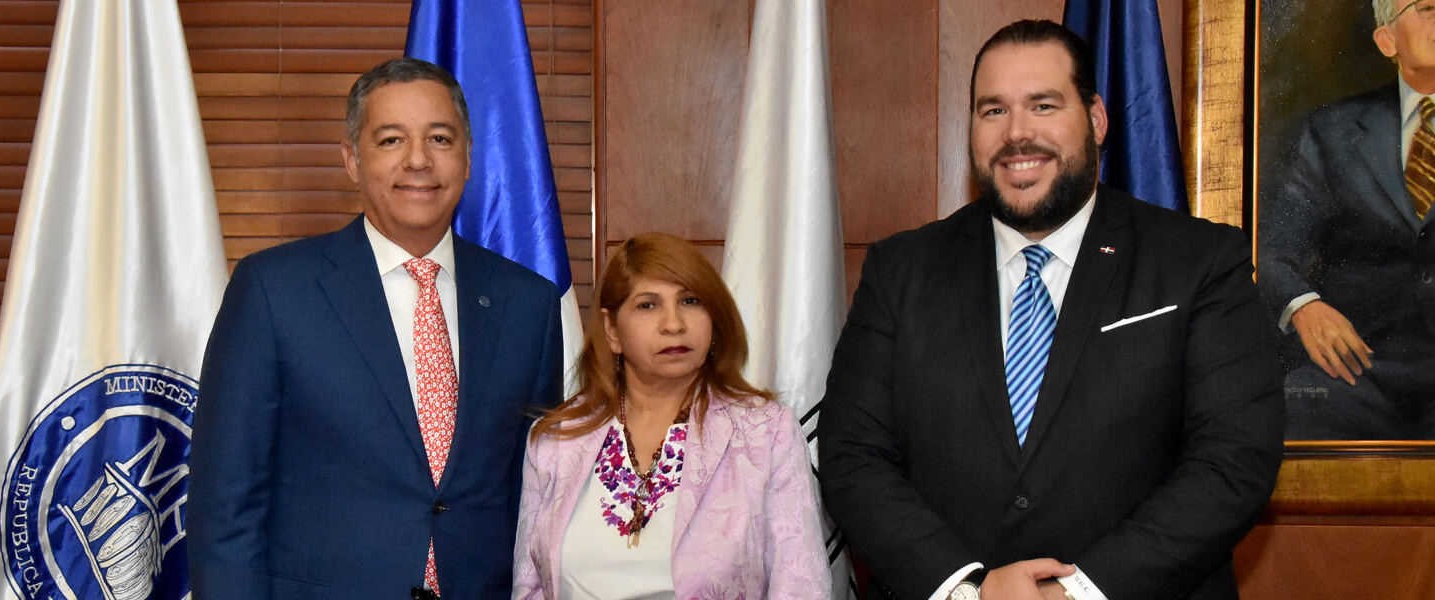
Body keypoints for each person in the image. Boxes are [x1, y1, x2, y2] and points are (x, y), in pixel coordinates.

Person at [818, 20, 1284, 600]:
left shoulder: (1200, 261)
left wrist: (1078, 593)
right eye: (993, 111)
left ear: (1095, 119)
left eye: (1043, 105)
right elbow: (851, 455)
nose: (1017, 134)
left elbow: (1233, 459)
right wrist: (969, 591)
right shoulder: (901, 270)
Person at [187, 58, 564, 600]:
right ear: (352, 160)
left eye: (439, 138)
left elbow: (538, 496)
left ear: (467, 159)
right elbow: (226, 505)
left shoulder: (528, 303)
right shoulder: (273, 290)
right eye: (391, 140)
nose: (418, 160)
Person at [511, 232, 830, 599]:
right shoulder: (555, 439)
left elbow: (802, 585)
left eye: (691, 301)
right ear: (612, 330)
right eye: (648, 305)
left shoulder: (765, 433)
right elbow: (530, 588)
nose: (674, 324)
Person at [1259, 0, 1435, 439]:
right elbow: (1274, 249)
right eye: (1429, 7)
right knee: (1289, 414)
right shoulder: (1332, 130)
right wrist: (1305, 307)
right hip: (1358, 367)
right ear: (1386, 39)